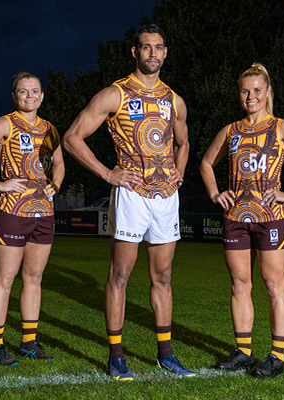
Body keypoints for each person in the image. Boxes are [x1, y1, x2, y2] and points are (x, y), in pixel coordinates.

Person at [62, 24, 194, 380]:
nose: (152, 53)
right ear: (134, 52)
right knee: (120, 275)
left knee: (163, 276)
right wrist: (107, 174)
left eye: (158, 47)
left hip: (166, 196)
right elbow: (72, 138)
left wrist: (180, 171)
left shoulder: (174, 100)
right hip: (132, 194)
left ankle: (166, 354)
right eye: (146, 47)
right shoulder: (115, 94)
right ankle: (116, 356)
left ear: (166, 53)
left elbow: (183, 142)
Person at [200, 64, 284, 378]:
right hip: (235, 218)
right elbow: (205, 162)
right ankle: (243, 353)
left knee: (274, 286)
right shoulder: (231, 130)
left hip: (271, 218)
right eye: (245, 91)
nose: (251, 96)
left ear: (268, 92)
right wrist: (216, 194)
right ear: (239, 94)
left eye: (257, 90)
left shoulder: (281, 127)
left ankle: (277, 357)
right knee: (240, 285)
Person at [0, 72, 65, 366]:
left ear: (42, 96)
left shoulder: (50, 129)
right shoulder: (5, 123)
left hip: (43, 212)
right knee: (5, 279)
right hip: (11, 211)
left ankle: (29, 343)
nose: (29, 96)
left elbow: (59, 165)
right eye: (23, 91)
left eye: (35, 91)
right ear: (15, 96)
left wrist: (55, 185)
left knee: (34, 278)